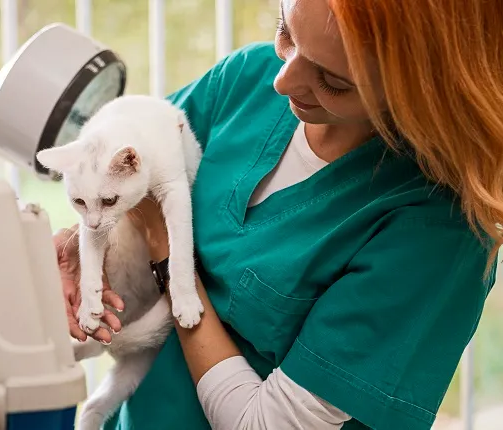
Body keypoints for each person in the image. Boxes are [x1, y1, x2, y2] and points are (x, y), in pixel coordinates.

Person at [53, 0, 502, 428]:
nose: (283, 81)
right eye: (286, 30)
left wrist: (167, 250)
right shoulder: (244, 82)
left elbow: (262, 423)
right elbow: (120, 187)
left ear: (425, 87)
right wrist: (76, 252)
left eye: (333, 81)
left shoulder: (436, 228)